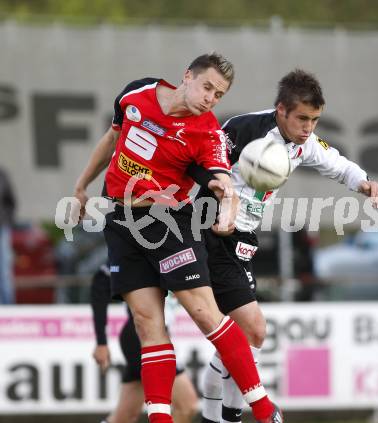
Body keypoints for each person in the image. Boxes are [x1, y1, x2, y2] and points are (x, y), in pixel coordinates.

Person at [73, 53, 282, 423]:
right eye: (207, 87)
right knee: (145, 324)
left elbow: (220, 180)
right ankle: (160, 419)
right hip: (121, 223)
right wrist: (80, 186)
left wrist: (228, 204)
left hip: (168, 224)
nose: (210, 99)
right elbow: (112, 136)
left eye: (219, 95)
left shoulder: (207, 132)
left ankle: (265, 410)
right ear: (187, 76)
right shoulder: (137, 93)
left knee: (204, 314)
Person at [189, 68, 378, 423]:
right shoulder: (245, 129)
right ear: (281, 109)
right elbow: (202, 162)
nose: (309, 127)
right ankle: (230, 416)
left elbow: (335, 162)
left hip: (242, 239)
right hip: (211, 232)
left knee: (238, 338)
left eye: (314, 120)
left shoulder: (304, 143)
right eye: (302, 118)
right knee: (253, 330)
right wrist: (223, 197)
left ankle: (212, 416)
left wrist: (364, 182)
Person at [90, 263, 199, 423]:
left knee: (125, 416)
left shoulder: (175, 252)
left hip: (152, 336)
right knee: (187, 406)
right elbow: (101, 280)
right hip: (141, 337)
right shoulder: (143, 249)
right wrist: (101, 342)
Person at [0, 167, 16, 304]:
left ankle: (8, 310)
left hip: (2, 228)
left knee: (4, 272)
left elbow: (11, 202)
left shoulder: (2, 174)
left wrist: (6, 221)